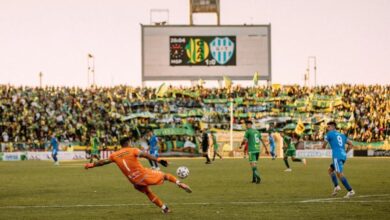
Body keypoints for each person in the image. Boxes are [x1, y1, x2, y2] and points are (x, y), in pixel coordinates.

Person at [84, 137, 192, 214]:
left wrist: (91, 164)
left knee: (147, 192)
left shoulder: (114, 155)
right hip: (143, 175)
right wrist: (158, 160)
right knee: (165, 175)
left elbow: (102, 162)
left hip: (134, 181)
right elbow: (145, 155)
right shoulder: (133, 150)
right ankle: (180, 183)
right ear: (128, 142)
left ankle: (164, 208)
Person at [322, 121, 355, 198]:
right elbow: (351, 144)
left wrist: (324, 145)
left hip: (337, 156)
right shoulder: (341, 135)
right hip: (343, 155)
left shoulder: (329, 134)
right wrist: (345, 152)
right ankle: (336, 186)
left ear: (333, 127)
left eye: (329, 126)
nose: (328, 128)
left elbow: (324, 145)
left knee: (339, 174)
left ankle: (350, 191)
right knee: (330, 170)